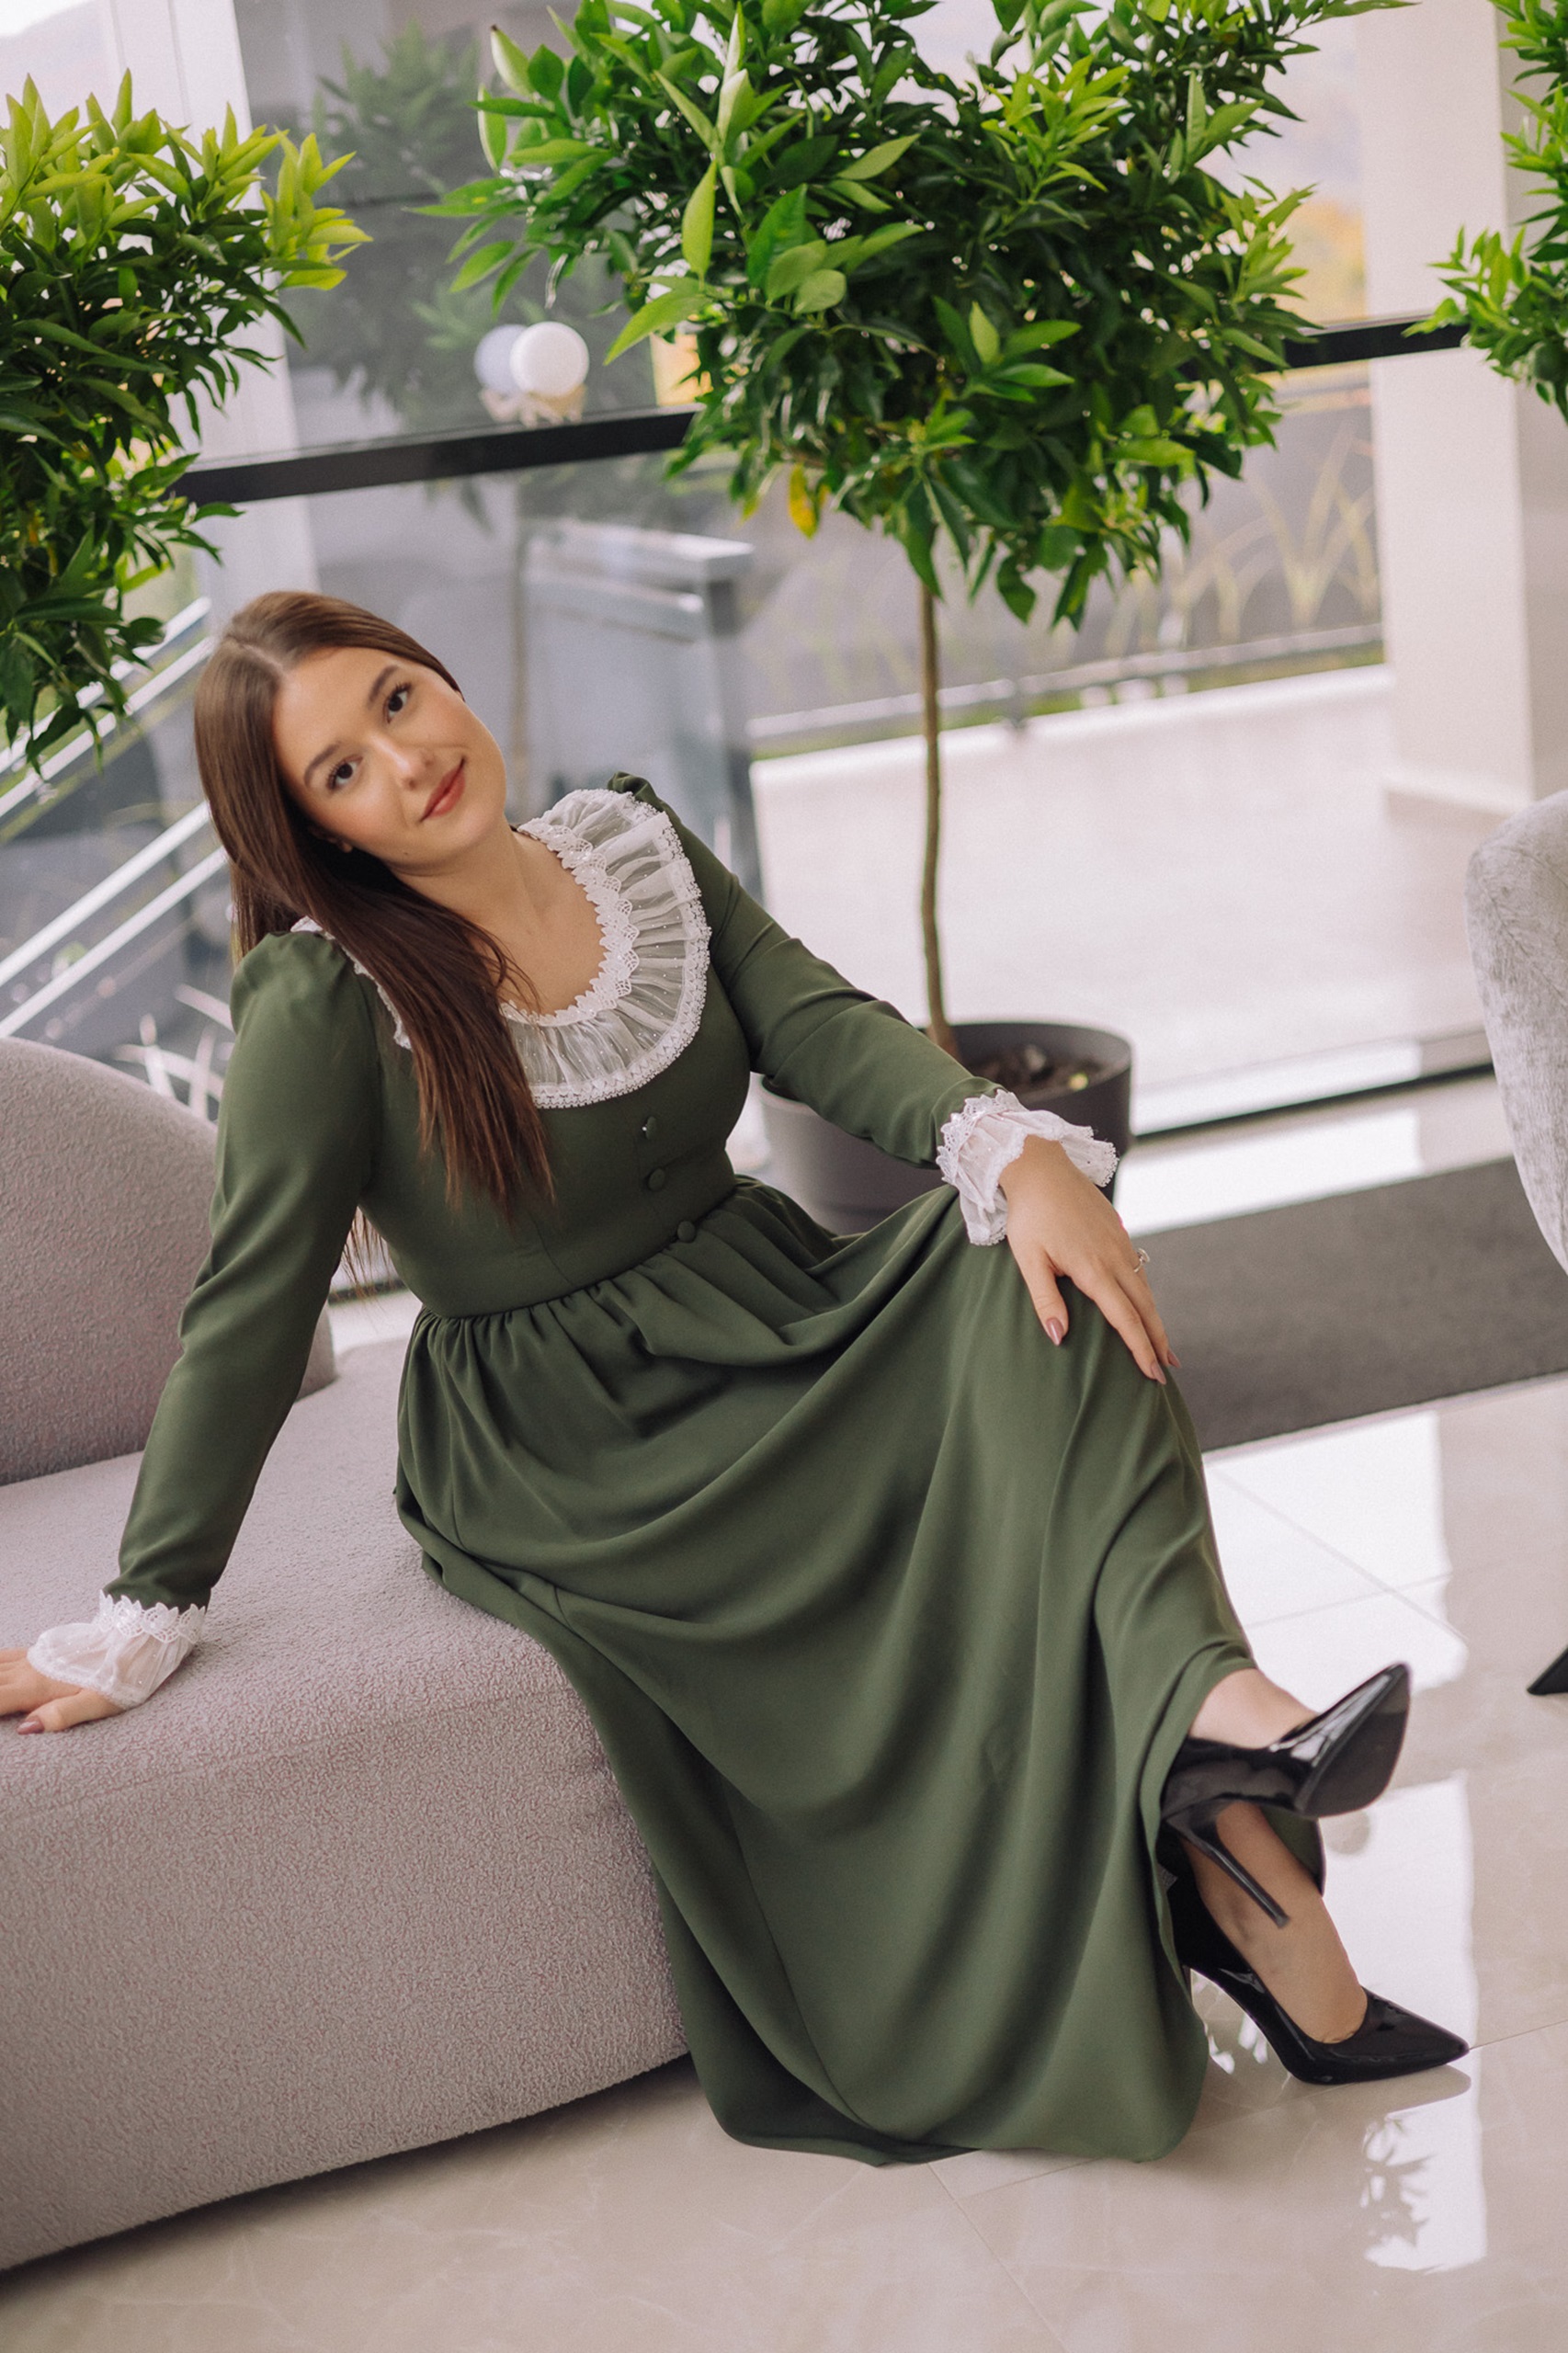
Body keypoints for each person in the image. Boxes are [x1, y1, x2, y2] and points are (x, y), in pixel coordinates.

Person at [0, 594, 1467, 2163]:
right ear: (318, 834)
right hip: (568, 1437)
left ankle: (1220, 1737)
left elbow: (817, 1023)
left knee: (1026, 1268)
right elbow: (246, 1307)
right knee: (1021, 1353)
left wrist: (1017, 1154)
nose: (407, 762)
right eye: (342, 771)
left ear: (441, 674)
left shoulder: (630, 846)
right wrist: (147, 1606)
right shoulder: (325, 998)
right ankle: (1243, 1826)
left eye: (398, 700)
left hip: (765, 1306)